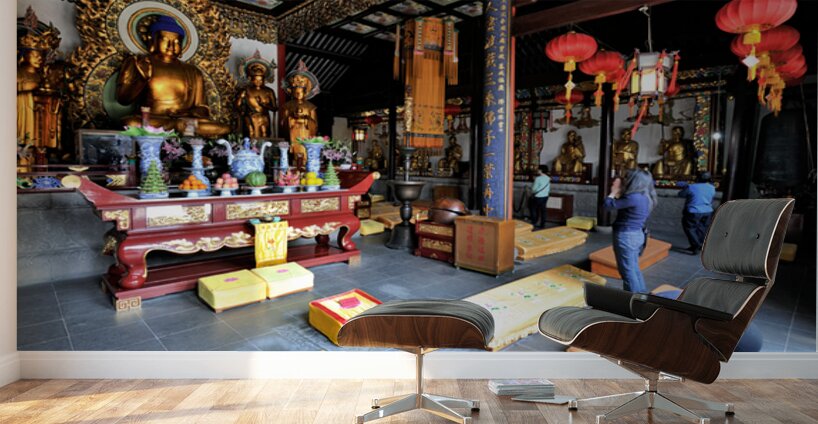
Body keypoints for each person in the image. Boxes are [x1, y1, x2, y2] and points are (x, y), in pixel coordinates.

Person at [115, 16, 230, 136]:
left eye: (177, 42)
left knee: (222, 128)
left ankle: (178, 128)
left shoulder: (193, 71)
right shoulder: (140, 63)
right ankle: (177, 129)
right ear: (152, 40)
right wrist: (141, 79)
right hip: (154, 120)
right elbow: (123, 99)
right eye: (165, 40)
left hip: (183, 121)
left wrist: (188, 114)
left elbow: (203, 108)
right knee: (130, 122)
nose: (171, 45)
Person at [604, 169, 657, 293]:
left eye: (627, 178)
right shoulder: (645, 196)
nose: (625, 180)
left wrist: (612, 192)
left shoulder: (633, 197)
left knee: (627, 272)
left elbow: (607, 206)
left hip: (626, 236)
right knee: (633, 268)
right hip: (637, 234)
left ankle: (634, 302)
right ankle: (642, 295)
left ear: (634, 181)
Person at [677, 172, 716, 254]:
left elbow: (680, 194)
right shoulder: (712, 187)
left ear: (697, 178)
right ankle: (699, 244)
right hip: (707, 211)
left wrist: (685, 186)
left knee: (690, 228)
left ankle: (696, 245)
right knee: (702, 228)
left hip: (693, 211)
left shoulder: (691, 187)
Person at [529, 165, 551, 230]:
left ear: (541, 170)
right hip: (545, 196)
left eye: (538, 169)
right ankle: (542, 224)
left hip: (537, 196)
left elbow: (534, 189)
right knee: (543, 210)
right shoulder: (548, 178)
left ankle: (534, 223)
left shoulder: (538, 178)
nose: (537, 170)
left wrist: (531, 189)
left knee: (533, 209)